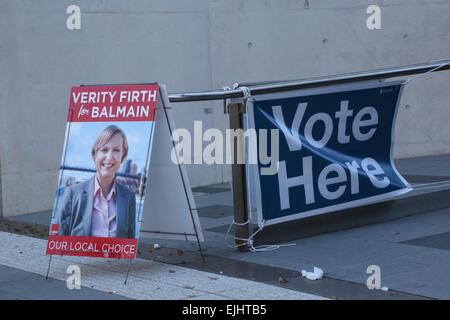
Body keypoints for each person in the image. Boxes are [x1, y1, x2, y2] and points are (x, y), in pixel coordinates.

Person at [54, 125, 136, 238]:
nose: (109, 156)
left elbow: (129, 243)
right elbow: (57, 239)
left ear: (122, 157)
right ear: (94, 155)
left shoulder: (129, 198)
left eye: (116, 150)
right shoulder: (72, 194)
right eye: (104, 150)